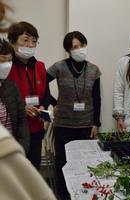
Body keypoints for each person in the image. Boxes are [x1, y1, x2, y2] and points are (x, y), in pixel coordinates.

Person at [47, 31, 101, 199]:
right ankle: (63, 195)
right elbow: (40, 84)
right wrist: (53, 102)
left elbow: (97, 97)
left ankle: (82, 194)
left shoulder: (94, 69)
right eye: (75, 47)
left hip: (86, 125)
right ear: (69, 50)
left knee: (84, 163)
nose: (79, 50)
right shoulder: (59, 67)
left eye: (82, 45)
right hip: (63, 124)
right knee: (62, 162)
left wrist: (96, 124)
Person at [7, 21, 51, 170]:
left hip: (36, 128)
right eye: (25, 40)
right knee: (16, 174)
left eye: (34, 41)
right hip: (14, 132)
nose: (31, 45)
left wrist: (44, 106)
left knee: (34, 170)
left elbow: (47, 94)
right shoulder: (6, 67)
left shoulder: (40, 66)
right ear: (12, 42)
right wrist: (21, 108)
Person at [0, 38, 29, 151]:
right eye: (3, 60)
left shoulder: (11, 86)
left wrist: (21, 148)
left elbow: (22, 120)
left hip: (11, 151)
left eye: (10, 60)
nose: (7, 65)